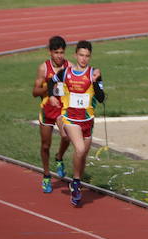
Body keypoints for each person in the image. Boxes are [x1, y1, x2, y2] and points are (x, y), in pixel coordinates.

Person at [49, 40, 105, 207]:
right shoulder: (66, 72)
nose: (84, 59)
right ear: (75, 55)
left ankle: (76, 179)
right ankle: (75, 183)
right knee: (79, 149)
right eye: (81, 55)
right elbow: (52, 81)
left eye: (87, 56)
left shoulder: (94, 73)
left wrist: (95, 83)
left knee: (82, 155)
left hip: (87, 120)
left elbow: (101, 98)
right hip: (70, 118)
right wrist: (53, 95)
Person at [32, 35, 71, 193]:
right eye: (56, 52)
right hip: (47, 110)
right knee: (45, 145)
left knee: (66, 136)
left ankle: (59, 157)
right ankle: (46, 175)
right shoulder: (44, 68)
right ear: (50, 52)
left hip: (63, 110)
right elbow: (35, 92)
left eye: (62, 52)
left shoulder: (70, 66)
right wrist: (50, 85)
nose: (59, 56)